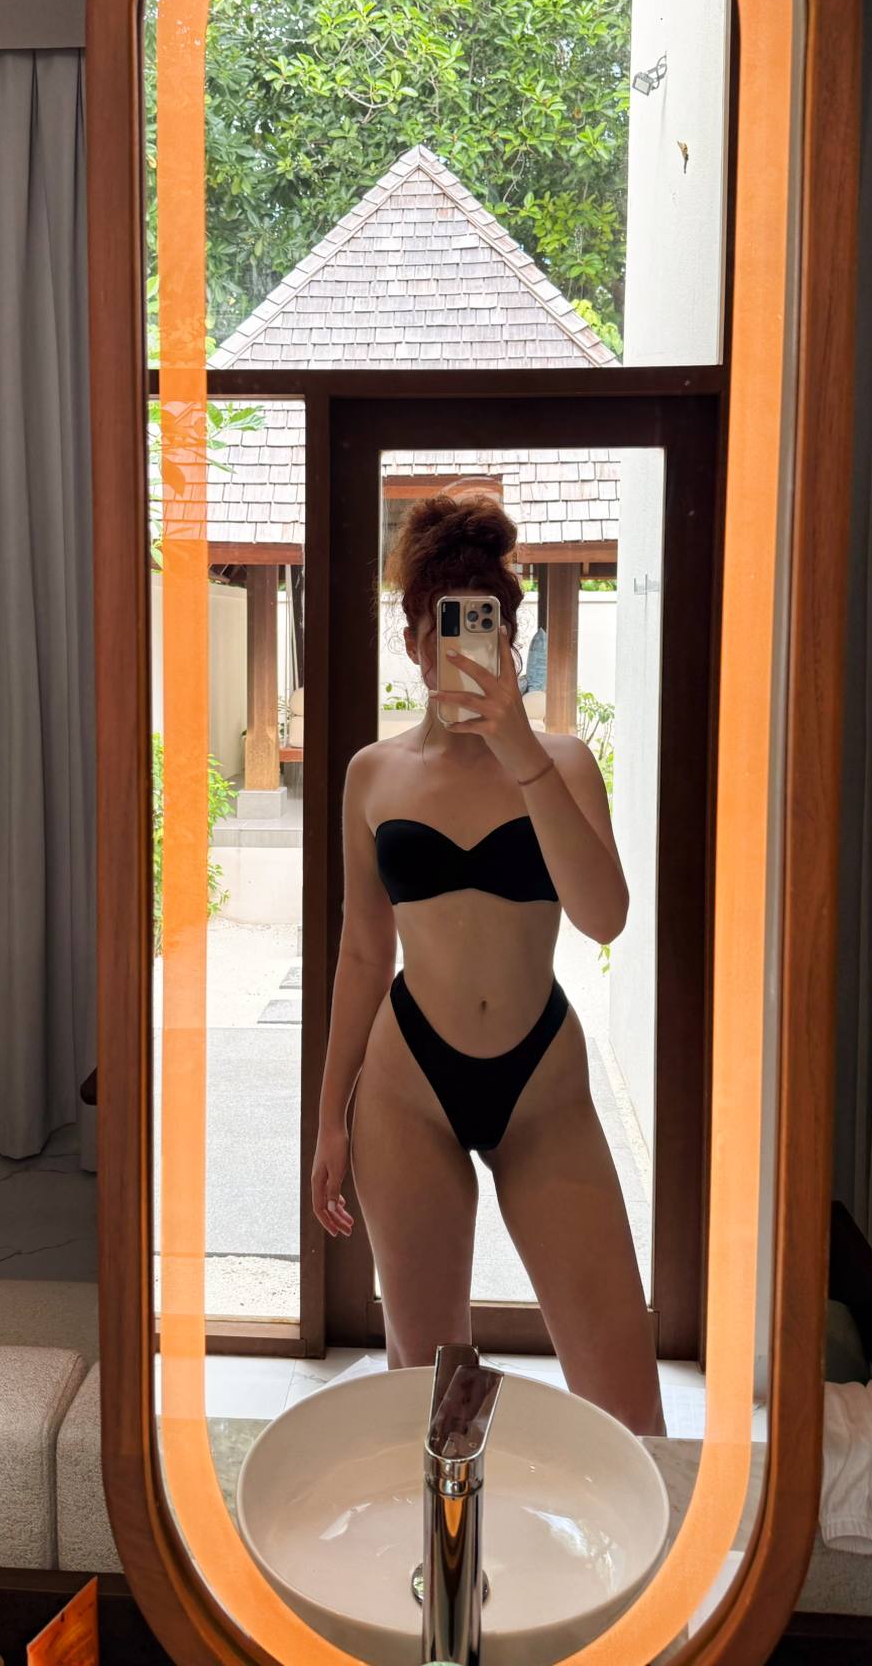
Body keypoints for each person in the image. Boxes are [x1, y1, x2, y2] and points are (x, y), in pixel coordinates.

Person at [311, 492, 665, 1436]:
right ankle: (454, 1532)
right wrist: (330, 1117)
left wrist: (518, 748)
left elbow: (605, 918)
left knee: (629, 1409)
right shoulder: (372, 775)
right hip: (407, 1090)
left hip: (541, 1086)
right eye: (447, 629)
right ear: (415, 644)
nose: (466, 650)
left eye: (487, 627)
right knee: (435, 1400)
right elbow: (361, 950)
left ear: (510, 640)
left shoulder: (563, 763)